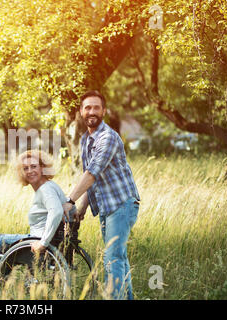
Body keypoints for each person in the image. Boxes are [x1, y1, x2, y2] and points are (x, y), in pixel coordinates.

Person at [62, 90, 140, 300]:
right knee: (119, 258)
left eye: (96, 107)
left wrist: (70, 200)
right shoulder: (86, 141)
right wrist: (82, 207)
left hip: (121, 204)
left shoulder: (108, 137)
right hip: (108, 207)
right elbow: (93, 182)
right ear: (81, 112)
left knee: (112, 257)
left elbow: (91, 172)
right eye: (87, 107)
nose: (92, 111)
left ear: (104, 111)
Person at [0, 150, 76, 266]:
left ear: (42, 168)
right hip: (48, 239)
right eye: (25, 168)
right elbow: (69, 207)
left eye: (33, 166)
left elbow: (56, 211)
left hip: (39, 242)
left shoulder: (46, 189)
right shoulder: (50, 186)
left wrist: (43, 243)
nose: (30, 171)